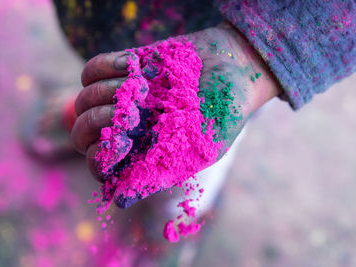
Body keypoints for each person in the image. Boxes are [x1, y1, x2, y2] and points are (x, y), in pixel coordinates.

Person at [24, 0, 355, 241]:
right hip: (117, 14)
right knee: (116, 73)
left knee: (196, 153)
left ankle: (176, 218)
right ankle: (108, 110)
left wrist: (257, 52)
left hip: (236, 38)